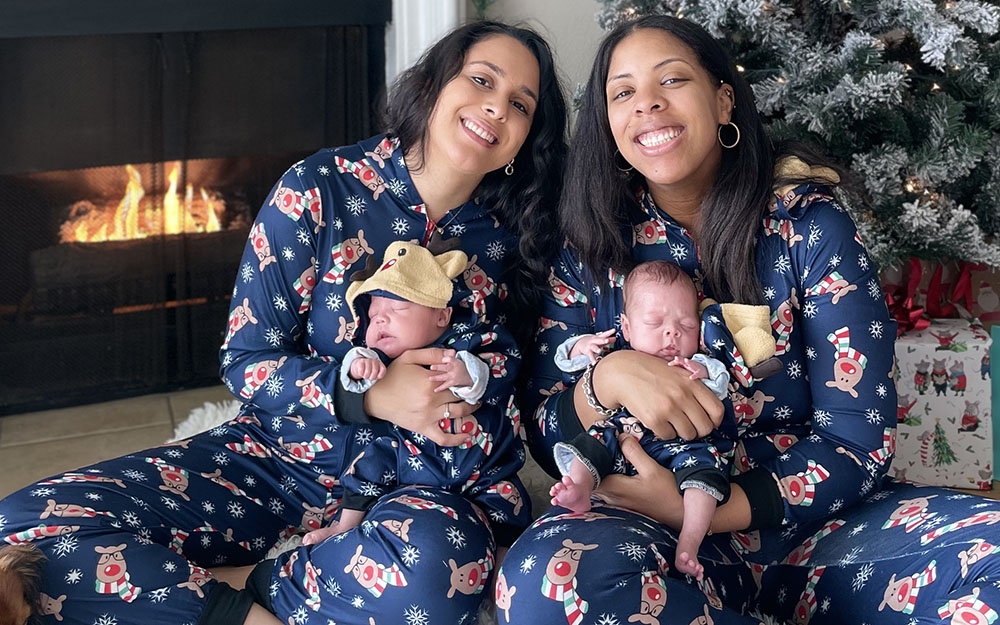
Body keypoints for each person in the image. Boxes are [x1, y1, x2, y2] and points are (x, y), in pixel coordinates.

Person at [0, 21, 566, 625]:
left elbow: (527, 382)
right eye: (481, 80)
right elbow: (246, 361)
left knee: (444, 562)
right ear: (431, 86)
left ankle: (246, 584)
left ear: (526, 138)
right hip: (274, 463)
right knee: (24, 525)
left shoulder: (518, 237)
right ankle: (257, 602)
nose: (496, 107)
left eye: (521, 104)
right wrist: (366, 395)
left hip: (422, 485)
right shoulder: (318, 188)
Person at [497, 14, 1000, 625]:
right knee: (546, 582)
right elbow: (546, 425)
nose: (647, 103)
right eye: (622, 92)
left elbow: (858, 441)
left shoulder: (808, 227)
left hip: (818, 528)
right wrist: (604, 381)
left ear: (723, 101)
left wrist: (707, 508)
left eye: (671, 80)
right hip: (642, 527)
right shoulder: (590, 245)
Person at [548, 259, 774, 580]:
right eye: (655, 322)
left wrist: (702, 371)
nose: (672, 332)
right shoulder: (616, 349)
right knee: (594, 440)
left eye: (687, 324)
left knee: (707, 476)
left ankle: (690, 539)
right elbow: (565, 363)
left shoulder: (697, 360)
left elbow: (721, 379)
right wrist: (582, 346)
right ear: (627, 328)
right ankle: (580, 490)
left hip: (687, 446)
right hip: (624, 436)